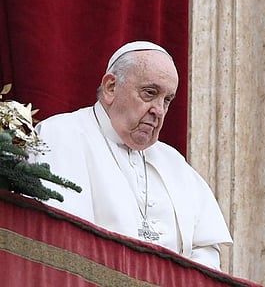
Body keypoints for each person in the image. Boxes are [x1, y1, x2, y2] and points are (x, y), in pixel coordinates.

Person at [34, 41, 232, 270]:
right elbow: (64, 242)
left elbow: (206, 252)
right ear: (110, 87)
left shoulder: (175, 163)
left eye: (167, 100)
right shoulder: (62, 135)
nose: (159, 110)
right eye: (150, 93)